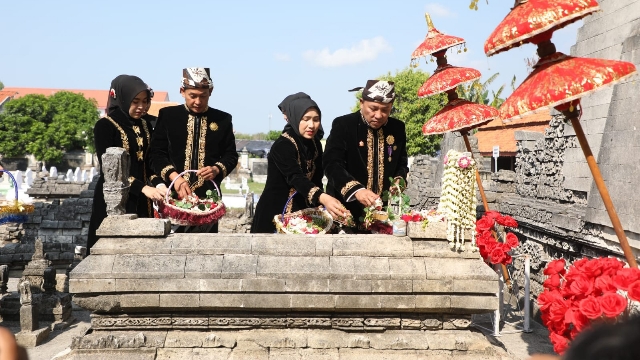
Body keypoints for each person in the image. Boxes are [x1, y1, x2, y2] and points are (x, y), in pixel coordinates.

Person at [149, 67, 238, 233]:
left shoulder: (223, 119)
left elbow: (231, 155)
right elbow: (156, 154)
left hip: (208, 200)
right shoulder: (168, 116)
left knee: (205, 251)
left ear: (210, 92)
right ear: (182, 91)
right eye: (193, 96)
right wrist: (175, 178)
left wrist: (216, 169)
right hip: (173, 196)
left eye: (203, 96)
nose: (198, 101)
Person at [87, 75, 166, 253]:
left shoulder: (147, 125)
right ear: (122, 98)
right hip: (115, 198)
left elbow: (148, 162)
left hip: (144, 199)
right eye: (135, 101)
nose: (141, 107)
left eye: (145, 101)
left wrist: (158, 184)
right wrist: (142, 188)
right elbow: (110, 170)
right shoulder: (105, 126)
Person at [251, 93, 345, 233]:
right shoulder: (283, 145)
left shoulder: (315, 144)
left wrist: (320, 206)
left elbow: (316, 179)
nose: (311, 125)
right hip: (275, 212)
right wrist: (323, 197)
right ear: (295, 119)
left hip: (303, 214)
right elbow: (296, 177)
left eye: (316, 119)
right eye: (305, 119)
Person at [323, 80, 409, 230]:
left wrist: (399, 180)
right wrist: (357, 190)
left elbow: (401, 162)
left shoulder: (397, 128)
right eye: (373, 108)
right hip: (345, 212)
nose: (379, 115)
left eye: (385, 110)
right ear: (361, 103)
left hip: (381, 215)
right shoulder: (343, 125)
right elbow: (332, 165)